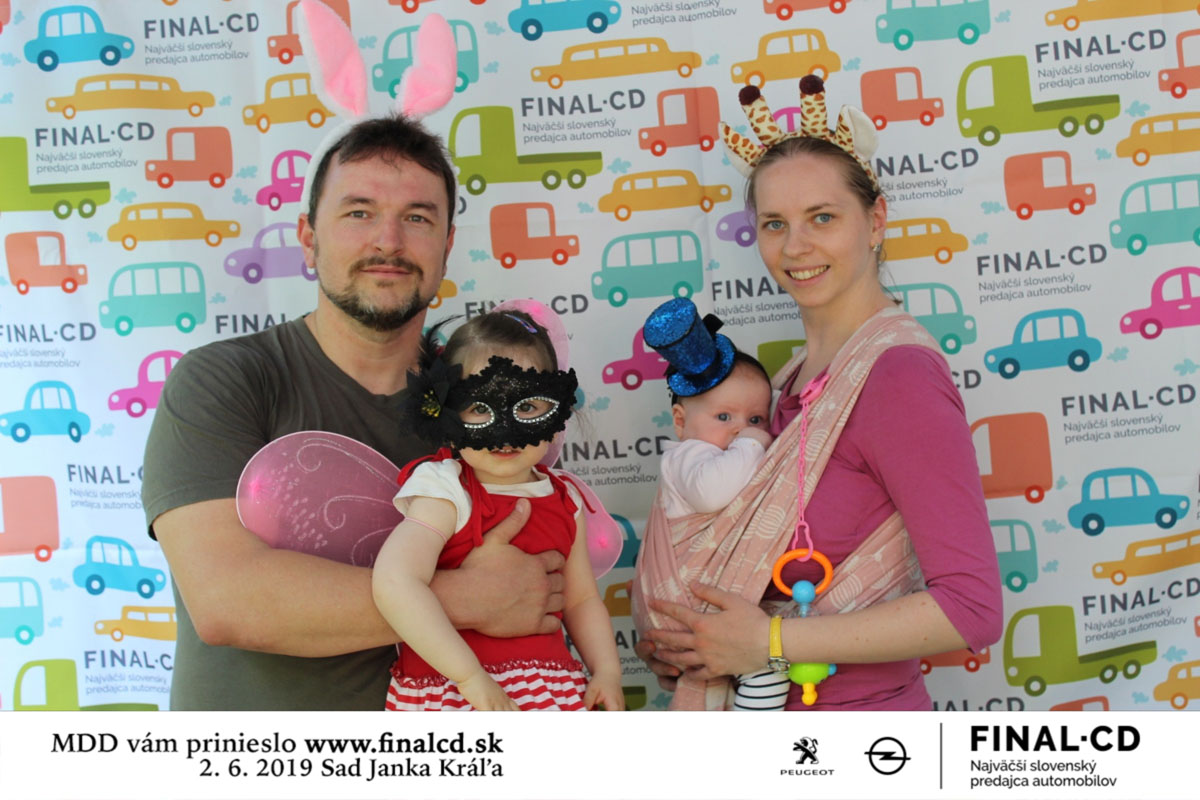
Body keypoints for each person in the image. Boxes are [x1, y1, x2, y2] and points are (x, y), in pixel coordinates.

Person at [141, 114, 566, 710]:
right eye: (359, 212)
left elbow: (540, 575)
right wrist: (471, 598)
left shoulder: (483, 405)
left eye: (417, 218)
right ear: (308, 237)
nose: (388, 241)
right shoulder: (224, 380)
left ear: (447, 246)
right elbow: (227, 601)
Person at [634, 76, 1002, 710]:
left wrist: (767, 642)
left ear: (876, 220)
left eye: (822, 217)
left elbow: (972, 608)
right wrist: (694, 645)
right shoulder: (785, 385)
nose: (795, 247)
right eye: (774, 223)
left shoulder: (898, 377)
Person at [376, 309, 623, 711]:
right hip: (457, 694)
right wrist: (469, 677)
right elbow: (395, 581)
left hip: (553, 694)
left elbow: (580, 600)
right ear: (445, 410)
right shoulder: (445, 491)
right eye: (479, 408)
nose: (505, 433)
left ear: (557, 407)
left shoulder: (566, 498)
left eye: (528, 407)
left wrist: (607, 671)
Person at [631, 298, 785, 710]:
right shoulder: (687, 457)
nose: (740, 430)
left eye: (755, 419)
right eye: (724, 417)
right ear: (681, 422)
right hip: (686, 609)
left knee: (752, 676)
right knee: (764, 667)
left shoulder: (722, 453)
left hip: (705, 612)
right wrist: (755, 440)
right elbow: (714, 492)